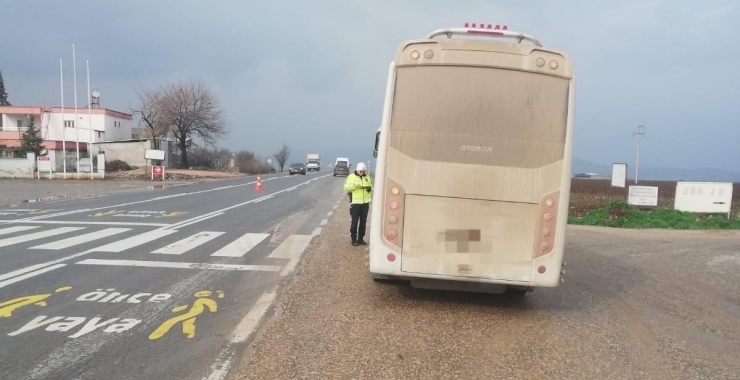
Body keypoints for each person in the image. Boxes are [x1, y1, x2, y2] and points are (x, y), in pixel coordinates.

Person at [343, 162, 372, 246]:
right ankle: (353, 239)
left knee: (363, 222)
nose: (362, 173)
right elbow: (346, 187)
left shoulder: (367, 177)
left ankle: (361, 239)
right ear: (357, 170)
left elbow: (371, 186)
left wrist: (369, 188)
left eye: (363, 171)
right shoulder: (351, 177)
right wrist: (354, 186)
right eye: (360, 171)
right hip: (355, 203)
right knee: (355, 222)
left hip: (365, 203)